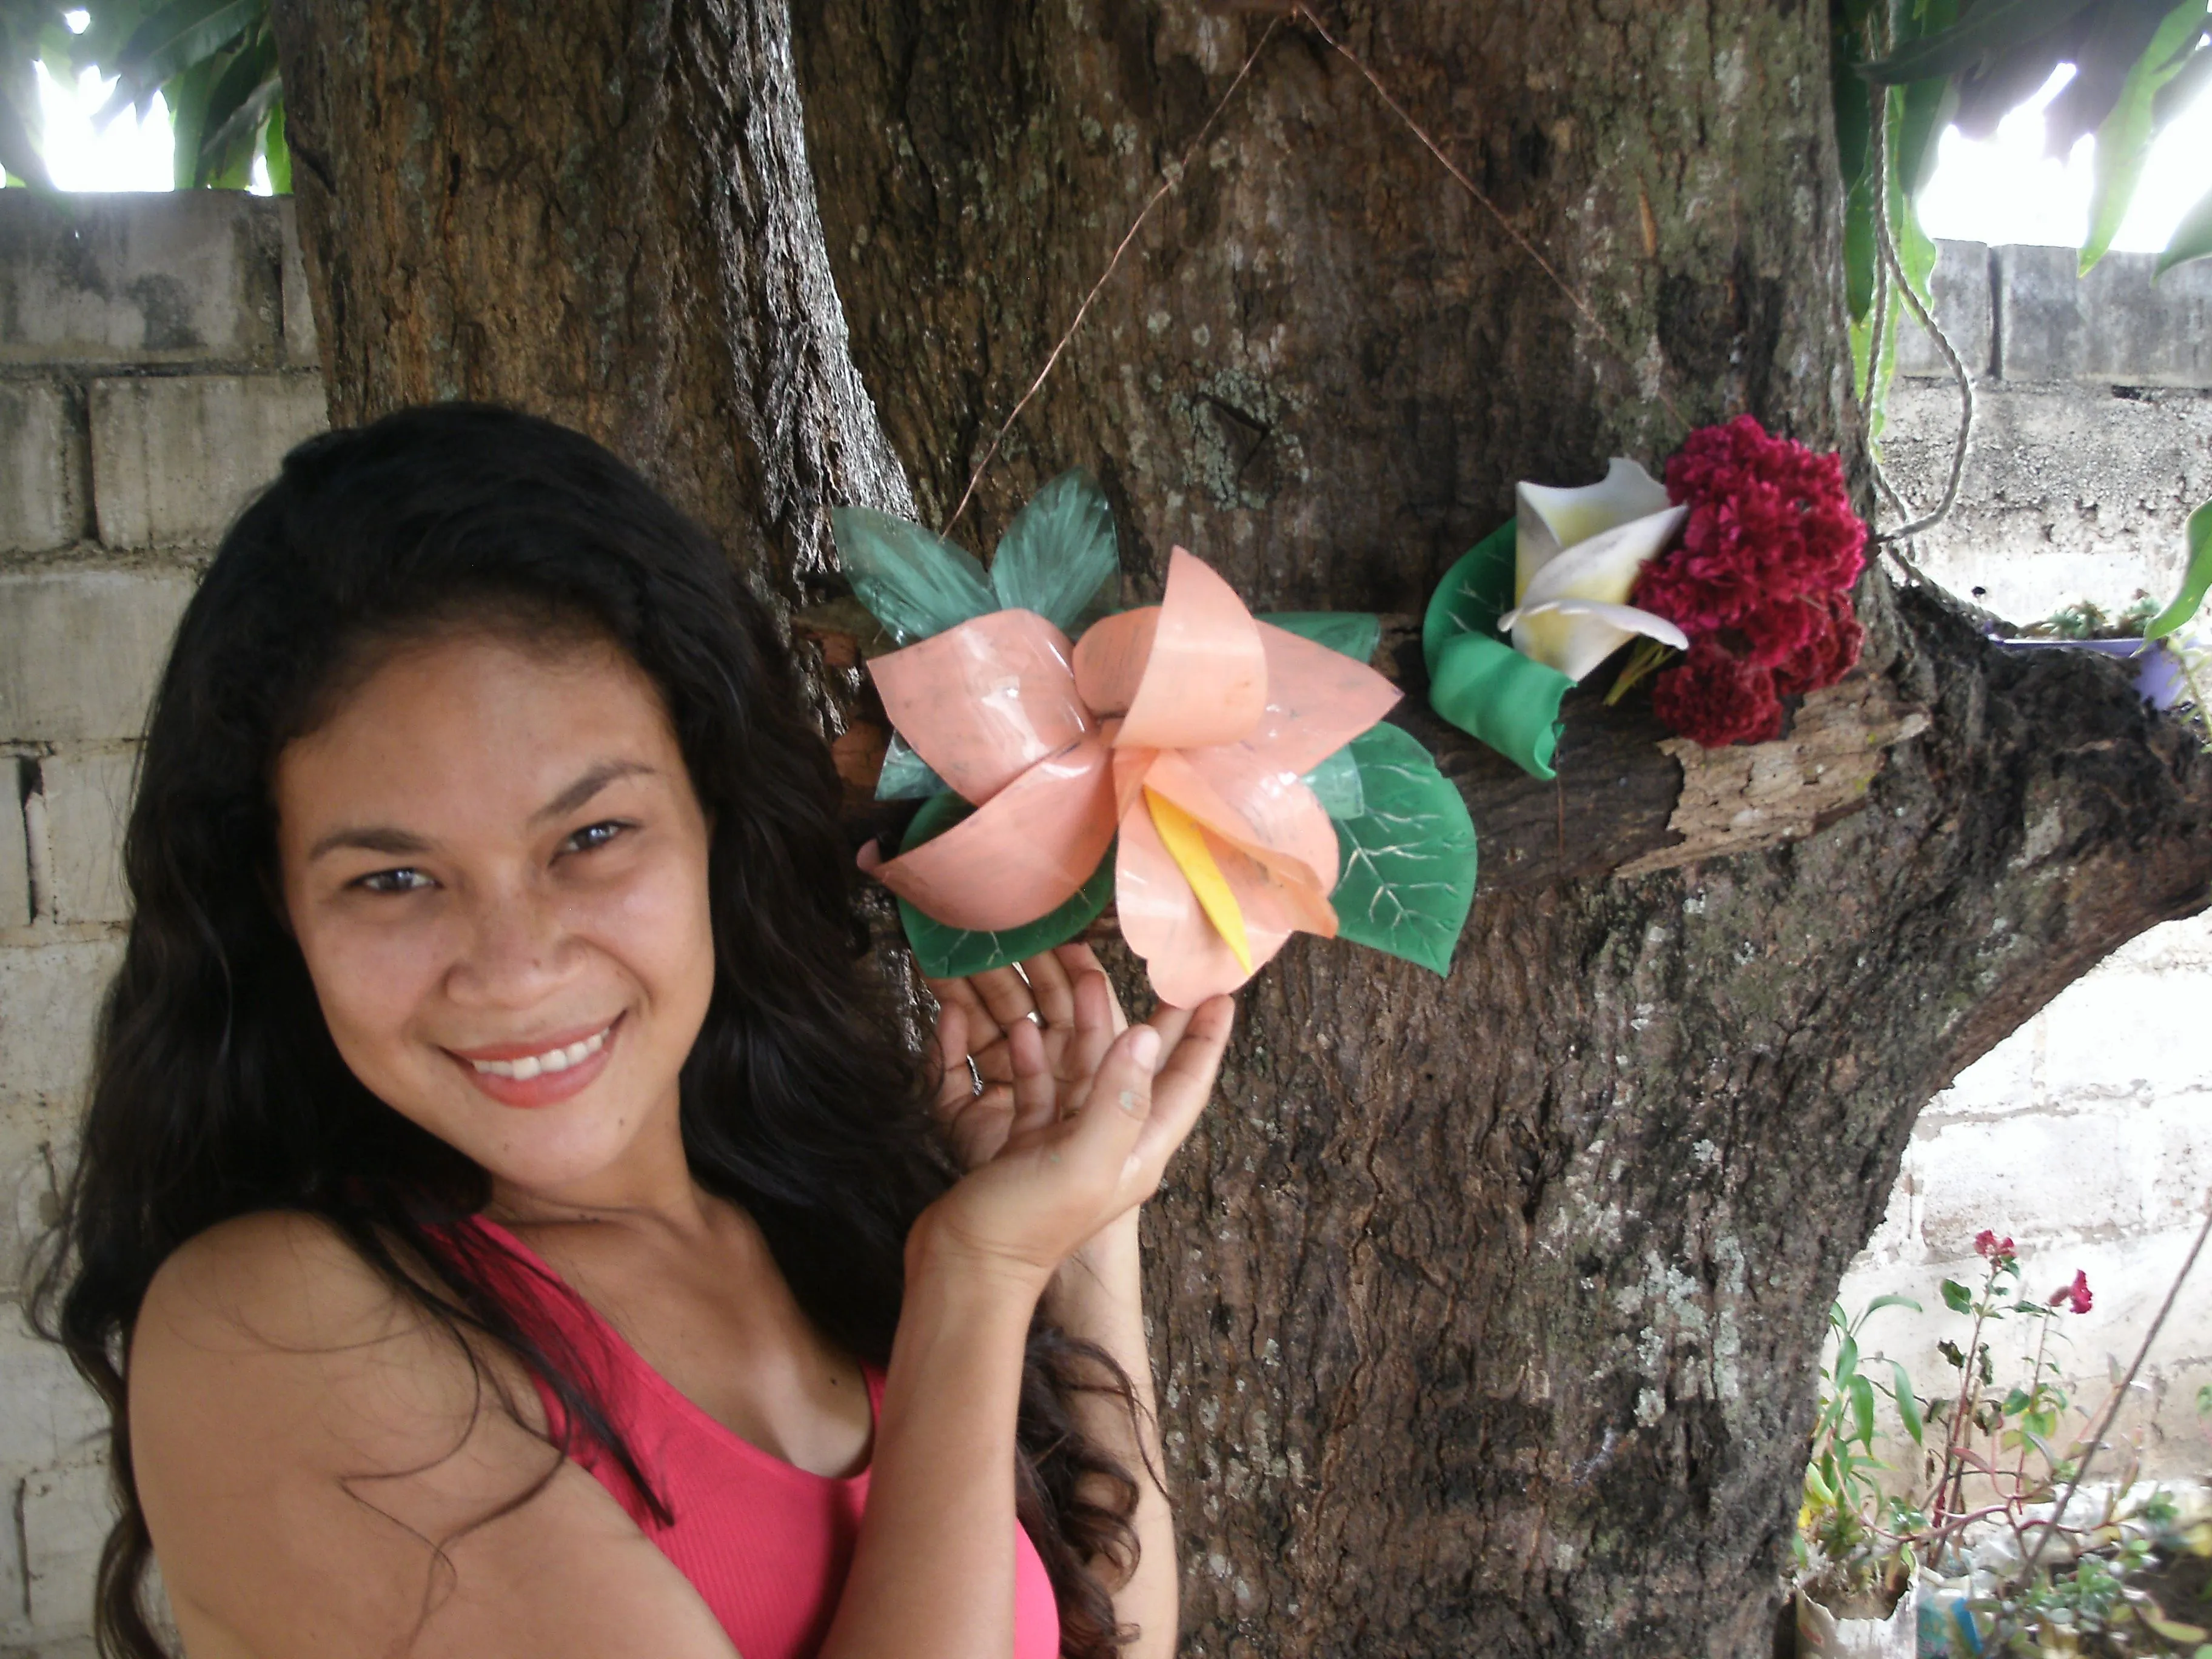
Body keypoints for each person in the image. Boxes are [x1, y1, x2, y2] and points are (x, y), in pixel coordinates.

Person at [33, 403, 1235, 1659]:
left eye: (591, 838)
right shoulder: (276, 1333)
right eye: (391, 880)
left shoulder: (830, 1223)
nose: (513, 968)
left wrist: (1078, 1238)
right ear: (275, 911)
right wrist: (975, 1288)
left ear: (718, 825)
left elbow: (1111, 1636)